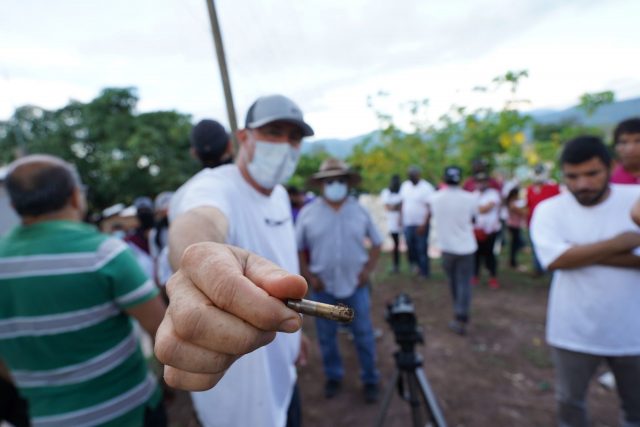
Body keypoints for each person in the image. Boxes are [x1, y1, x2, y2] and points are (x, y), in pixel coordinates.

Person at [162, 94, 314, 427]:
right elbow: (198, 222)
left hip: (282, 375)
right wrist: (201, 261)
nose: (285, 144)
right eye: (274, 131)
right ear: (243, 138)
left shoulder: (278, 194)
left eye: (295, 137)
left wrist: (294, 340)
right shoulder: (212, 186)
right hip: (237, 389)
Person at [0, 154, 167, 426]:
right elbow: (161, 330)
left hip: (48, 418)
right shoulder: (104, 254)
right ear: (76, 197)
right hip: (129, 412)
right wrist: (166, 382)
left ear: (15, 205)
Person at [530, 136, 640, 427]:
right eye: (572, 176)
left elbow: (564, 257)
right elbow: (554, 261)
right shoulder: (549, 210)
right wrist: (622, 243)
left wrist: (576, 250)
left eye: (592, 174)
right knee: (569, 404)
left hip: (632, 332)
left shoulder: (635, 201)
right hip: (573, 330)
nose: (582, 185)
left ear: (610, 167)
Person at [296, 158, 382, 402]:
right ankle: (333, 375)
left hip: (355, 285)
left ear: (347, 183)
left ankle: (370, 378)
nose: (335, 185)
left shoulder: (359, 210)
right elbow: (298, 247)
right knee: (326, 335)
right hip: (324, 287)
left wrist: (367, 271)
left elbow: (377, 242)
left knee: (363, 333)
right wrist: (310, 276)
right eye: (329, 181)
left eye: (340, 180)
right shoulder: (308, 213)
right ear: (321, 185)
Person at [429, 166, 478, 335]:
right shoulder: (470, 198)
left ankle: (459, 313)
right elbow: (474, 219)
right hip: (466, 248)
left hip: (447, 248)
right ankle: (461, 316)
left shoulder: (435, 198)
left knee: (453, 282)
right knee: (464, 283)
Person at [399, 165, 435, 278]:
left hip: (421, 224)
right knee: (411, 247)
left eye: (413, 174)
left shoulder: (427, 187)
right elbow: (402, 203)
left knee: (422, 248)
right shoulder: (405, 186)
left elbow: (430, 207)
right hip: (408, 223)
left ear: (419, 174)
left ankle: (424, 271)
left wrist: (424, 224)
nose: (411, 176)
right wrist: (400, 218)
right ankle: (415, 267)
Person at [526, 164, 561, 275]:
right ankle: (538, 268)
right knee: (535, 247)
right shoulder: (530, 189)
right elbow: (528, 206)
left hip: (551, 225)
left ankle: (549, 269)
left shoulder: (553, 188)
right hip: (533, 223)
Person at [472, 171, 502, 288]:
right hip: (476, 230)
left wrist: (476, 208)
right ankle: (475, 276)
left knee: (490, 255)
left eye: (483, 181)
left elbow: (485, 209)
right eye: (479, 181)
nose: (481, 184)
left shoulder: (493, 194)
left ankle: (493, 277)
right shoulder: (473, 194)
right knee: (476, 255)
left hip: (491, 231)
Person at [380, 174, 402, 273]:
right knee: (395, 244)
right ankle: (395, 265)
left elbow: (400, 206)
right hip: (391, 223)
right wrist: (396, 206)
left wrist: (395, 206)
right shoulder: (386, 192)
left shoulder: (402, 192)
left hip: (401, 221)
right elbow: (387, 207)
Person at [611, 117, 640, 184]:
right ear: (615, 147)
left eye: (638, 141)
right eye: (623, 142)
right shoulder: (608, 180)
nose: (630, 149)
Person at [505, 186, 527, 270]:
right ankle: (513, 262)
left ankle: (512, 261)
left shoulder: (513, 202)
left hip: (514, 225)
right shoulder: (513, 203)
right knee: (514, 246)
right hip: (514, 226)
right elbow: (522, 212)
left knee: (514, 245)